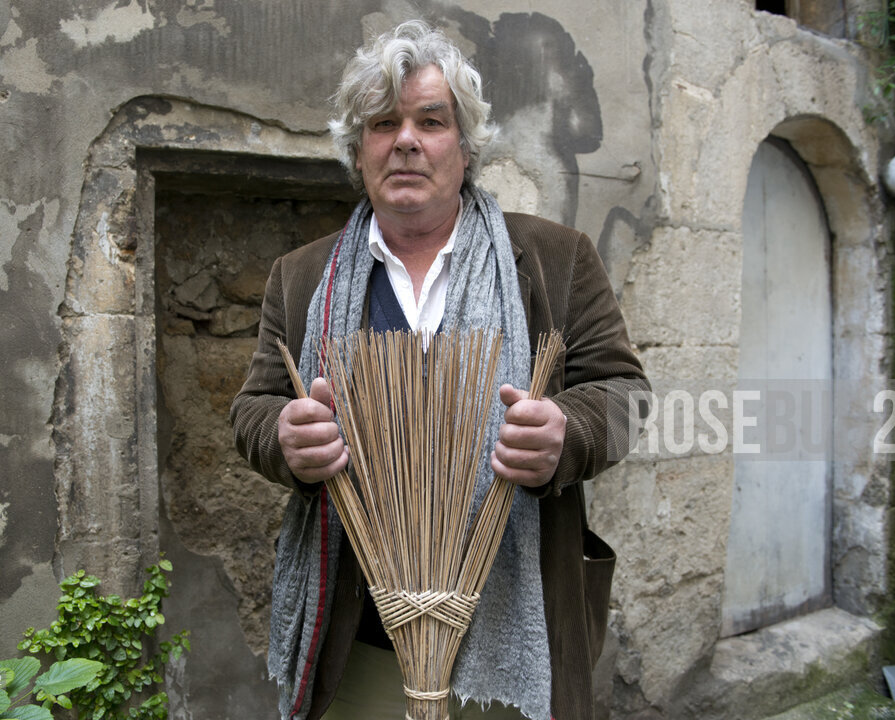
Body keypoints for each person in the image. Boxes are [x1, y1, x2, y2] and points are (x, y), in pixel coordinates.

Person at [230, 20, 648, 720]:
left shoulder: (554, 259)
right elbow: (253, 408)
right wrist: (283, 437)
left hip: (514, 626)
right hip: (360, 632)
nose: (405, 140)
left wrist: (565, 435)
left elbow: (625, 394)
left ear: (464, 144)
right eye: (382, 123)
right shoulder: (302, 278)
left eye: (431, 120)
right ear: (357, 149)